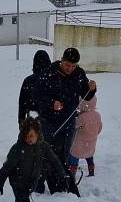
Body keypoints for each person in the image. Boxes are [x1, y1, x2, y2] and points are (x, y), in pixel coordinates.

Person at [34, 47, 96, 192]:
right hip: (48, 121)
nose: (70, 69)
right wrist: (51, 103)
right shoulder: (49, 72)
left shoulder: (79, 74)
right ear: (61, 60)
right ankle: (38, 185)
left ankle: (61, 186)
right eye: (68, 65)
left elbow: (86, 96)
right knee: (45, 153)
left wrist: (92, 88)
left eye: (74, 66)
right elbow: (36, 94)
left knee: (64, 154)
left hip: (68, 121)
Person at [0, 118, 66, 202]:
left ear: (38, 134)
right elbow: (7, 167)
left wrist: (62, 176)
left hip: (31, 181)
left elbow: (54, 161)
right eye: (26, 136)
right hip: (17, 181)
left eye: (31, 136)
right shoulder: (17, 148)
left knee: (20, 201)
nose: (29, 139)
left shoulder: (43, 146)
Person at [68, 93, 101, 178]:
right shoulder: (97, 115)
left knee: (74, 155)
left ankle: (72, 173)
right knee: (89, 155)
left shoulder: (82, 117)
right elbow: (100, 128)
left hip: (80, 143)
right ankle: (91, 169)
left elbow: (74, 126)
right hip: (91, 142)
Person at [18, 50, 51, 125]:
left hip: (32, 120)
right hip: (49, 119)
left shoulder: (28, 80)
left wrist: (21, 120)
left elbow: (22, 103)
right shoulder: (52, 79)